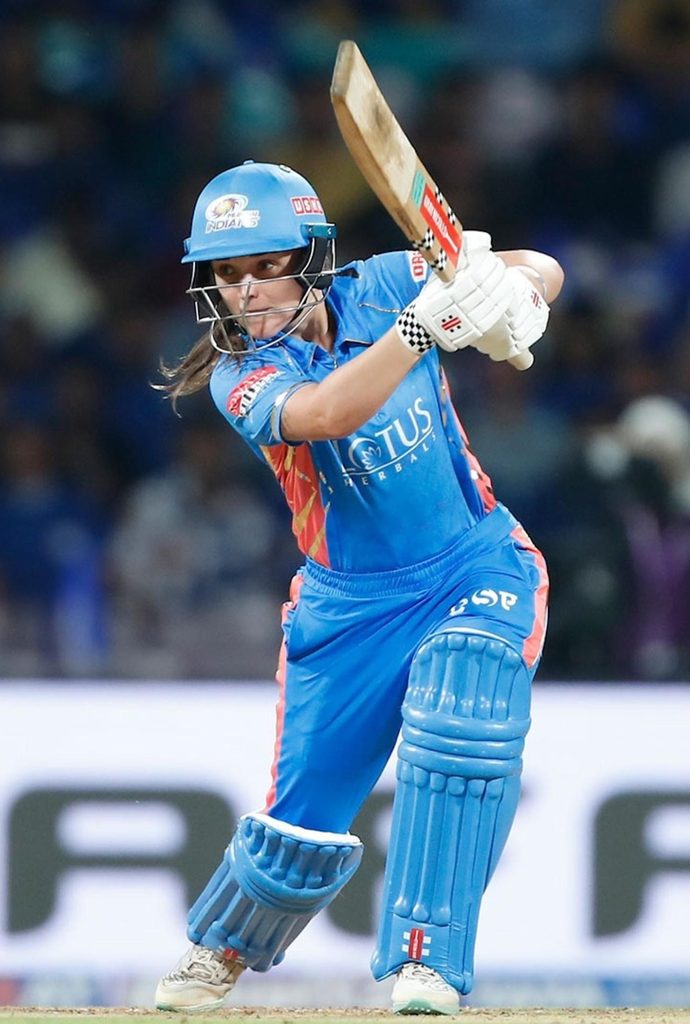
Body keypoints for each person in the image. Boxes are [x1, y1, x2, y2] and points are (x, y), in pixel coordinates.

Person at [154, 161, 562, 1014]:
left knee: (463, 718)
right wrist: (423, 327)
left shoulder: (383, 281)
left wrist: (511, 296)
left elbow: (542, 266)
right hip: (348, 609)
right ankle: (220, 946)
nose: (247, 291)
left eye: (267, 265)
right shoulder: (240, 373)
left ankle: (426, 963)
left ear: (311, 256)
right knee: (301, 825)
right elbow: (327, 413)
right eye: (227, 274)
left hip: (473, 563)